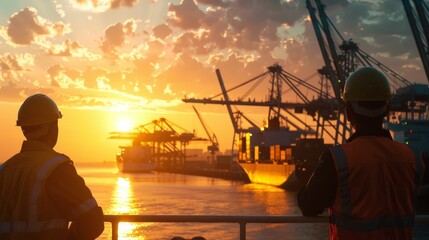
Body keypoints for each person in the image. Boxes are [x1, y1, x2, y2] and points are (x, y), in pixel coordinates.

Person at [297, 66, 426, 240]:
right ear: (387, 110)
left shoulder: (336, 159)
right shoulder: (413, 158)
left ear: (348, 112)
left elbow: (308, 205)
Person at [0, 93, 104, 239]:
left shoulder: (4, 170)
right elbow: (93, 220)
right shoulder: (56, 169)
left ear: (24, 128)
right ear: (52, 126)